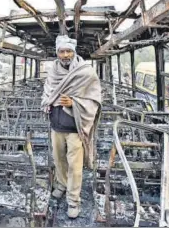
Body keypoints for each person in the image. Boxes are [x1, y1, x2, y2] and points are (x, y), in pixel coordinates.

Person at [41, 34, 101, 219]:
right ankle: (61, 185)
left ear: (74, 52)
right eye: (62, 51)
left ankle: (73, 200)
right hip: (56, 125)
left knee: (75, 166)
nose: (65, 54)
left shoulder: (86, 72)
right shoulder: (52, 72)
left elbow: (95, 99)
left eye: (68, 51)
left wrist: (73, 102)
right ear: (57, 52)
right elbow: (47, 93)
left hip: (75, 127)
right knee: (58, 159)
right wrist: (47, 103)